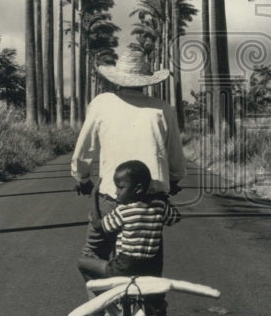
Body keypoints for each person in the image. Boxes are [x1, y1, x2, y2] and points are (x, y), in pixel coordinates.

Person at [71, 48, 185, 264]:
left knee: (93, 254)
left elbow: (84, 149)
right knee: (148, 259)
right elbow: (175, 157)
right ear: (146, 81)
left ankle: (103, 296)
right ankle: (152, 297)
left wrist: (82, 179)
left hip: (111, 197)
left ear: (117, 80)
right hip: (151, 201)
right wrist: (174, 179)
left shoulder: (101, 103)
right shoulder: (163, 109)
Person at [78, 160, 180, 316]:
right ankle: (152, 307)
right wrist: (163, 198)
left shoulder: (123, 211)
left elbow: (99, 226)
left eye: (120, 188)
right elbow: (175, 218)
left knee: (83, 263)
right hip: (149, 270)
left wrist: (94, 196)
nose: (116, 192)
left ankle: (113, 311)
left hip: (123, 268)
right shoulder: (158, 207)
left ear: (138, 189)